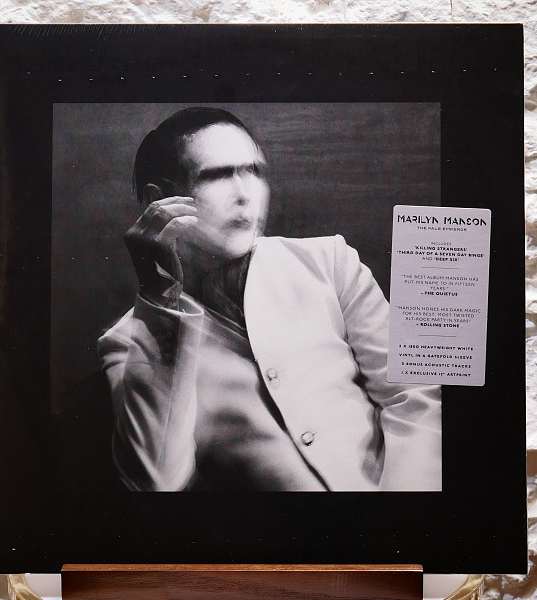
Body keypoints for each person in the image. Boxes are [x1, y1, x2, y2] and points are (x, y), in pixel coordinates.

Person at [98, 107, 441, 492]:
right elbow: (154, 482)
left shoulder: (329, 263)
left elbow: (414, 396)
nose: (245, 195)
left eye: (254, 172)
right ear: (158, 200)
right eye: (216, 176)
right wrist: (159, 296)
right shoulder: (131, 341)